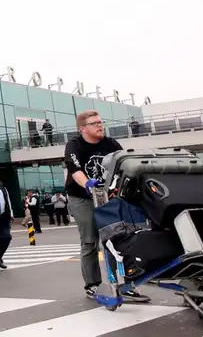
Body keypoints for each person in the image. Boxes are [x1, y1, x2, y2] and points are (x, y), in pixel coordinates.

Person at [65, 110, 148, 302]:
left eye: (100, 122)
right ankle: (93, 285)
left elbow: (125, 162)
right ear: (83, 129)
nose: (99, 126)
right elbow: (75, 169)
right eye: (94, 123)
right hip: (81, 197)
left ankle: (126, 283)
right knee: (90, 241)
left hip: (107, 195)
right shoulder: (74, 145)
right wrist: (86, 183)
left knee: (118, 237)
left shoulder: (110, 144)